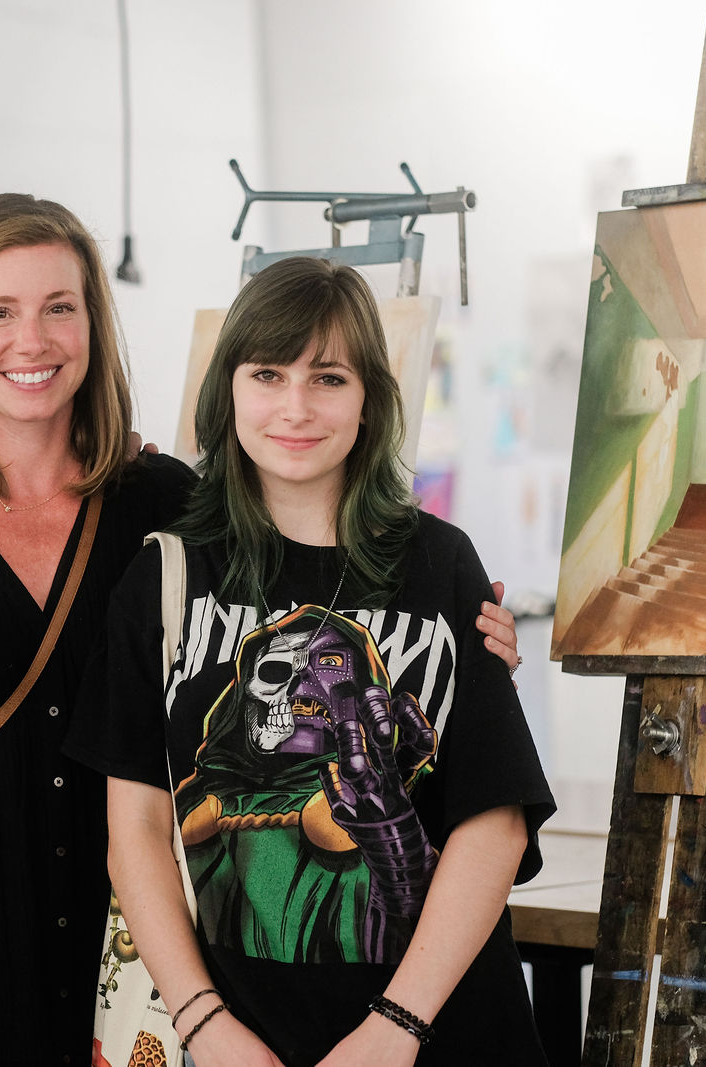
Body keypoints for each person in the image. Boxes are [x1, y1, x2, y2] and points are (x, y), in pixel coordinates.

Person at [0, 199, 525, 1067]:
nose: (31, 339)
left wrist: (477, 643)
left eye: (59, 308)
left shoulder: (163, 505)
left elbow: (486, 804)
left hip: (154, 956)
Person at [67, 256, 556, 1066]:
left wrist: (395, 1028)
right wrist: (207, 1027)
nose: (295, 407)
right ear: (228, 389)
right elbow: (138, 829)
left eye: (327, 378)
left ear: (368, 398)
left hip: (436, 1035)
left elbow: (493, 819)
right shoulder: (165, 576)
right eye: (268, 373)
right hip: (235, 1042)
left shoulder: (440, 565)